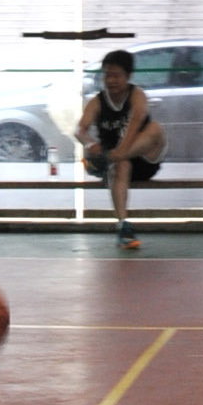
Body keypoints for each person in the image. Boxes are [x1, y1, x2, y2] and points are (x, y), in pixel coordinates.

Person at [79, 48, 168, 252]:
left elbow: (136, 121)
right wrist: (89, 143)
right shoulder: (97, 102)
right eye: (107, 75)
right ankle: (123, 227)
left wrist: (119, 152)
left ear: (128, 76)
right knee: (122, 165)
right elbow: (79, 129)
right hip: (117, 166)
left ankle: (110, 159)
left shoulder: (137, 95)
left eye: (116, 76)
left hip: (143, 159)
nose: (111, 81)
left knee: (155, 129)